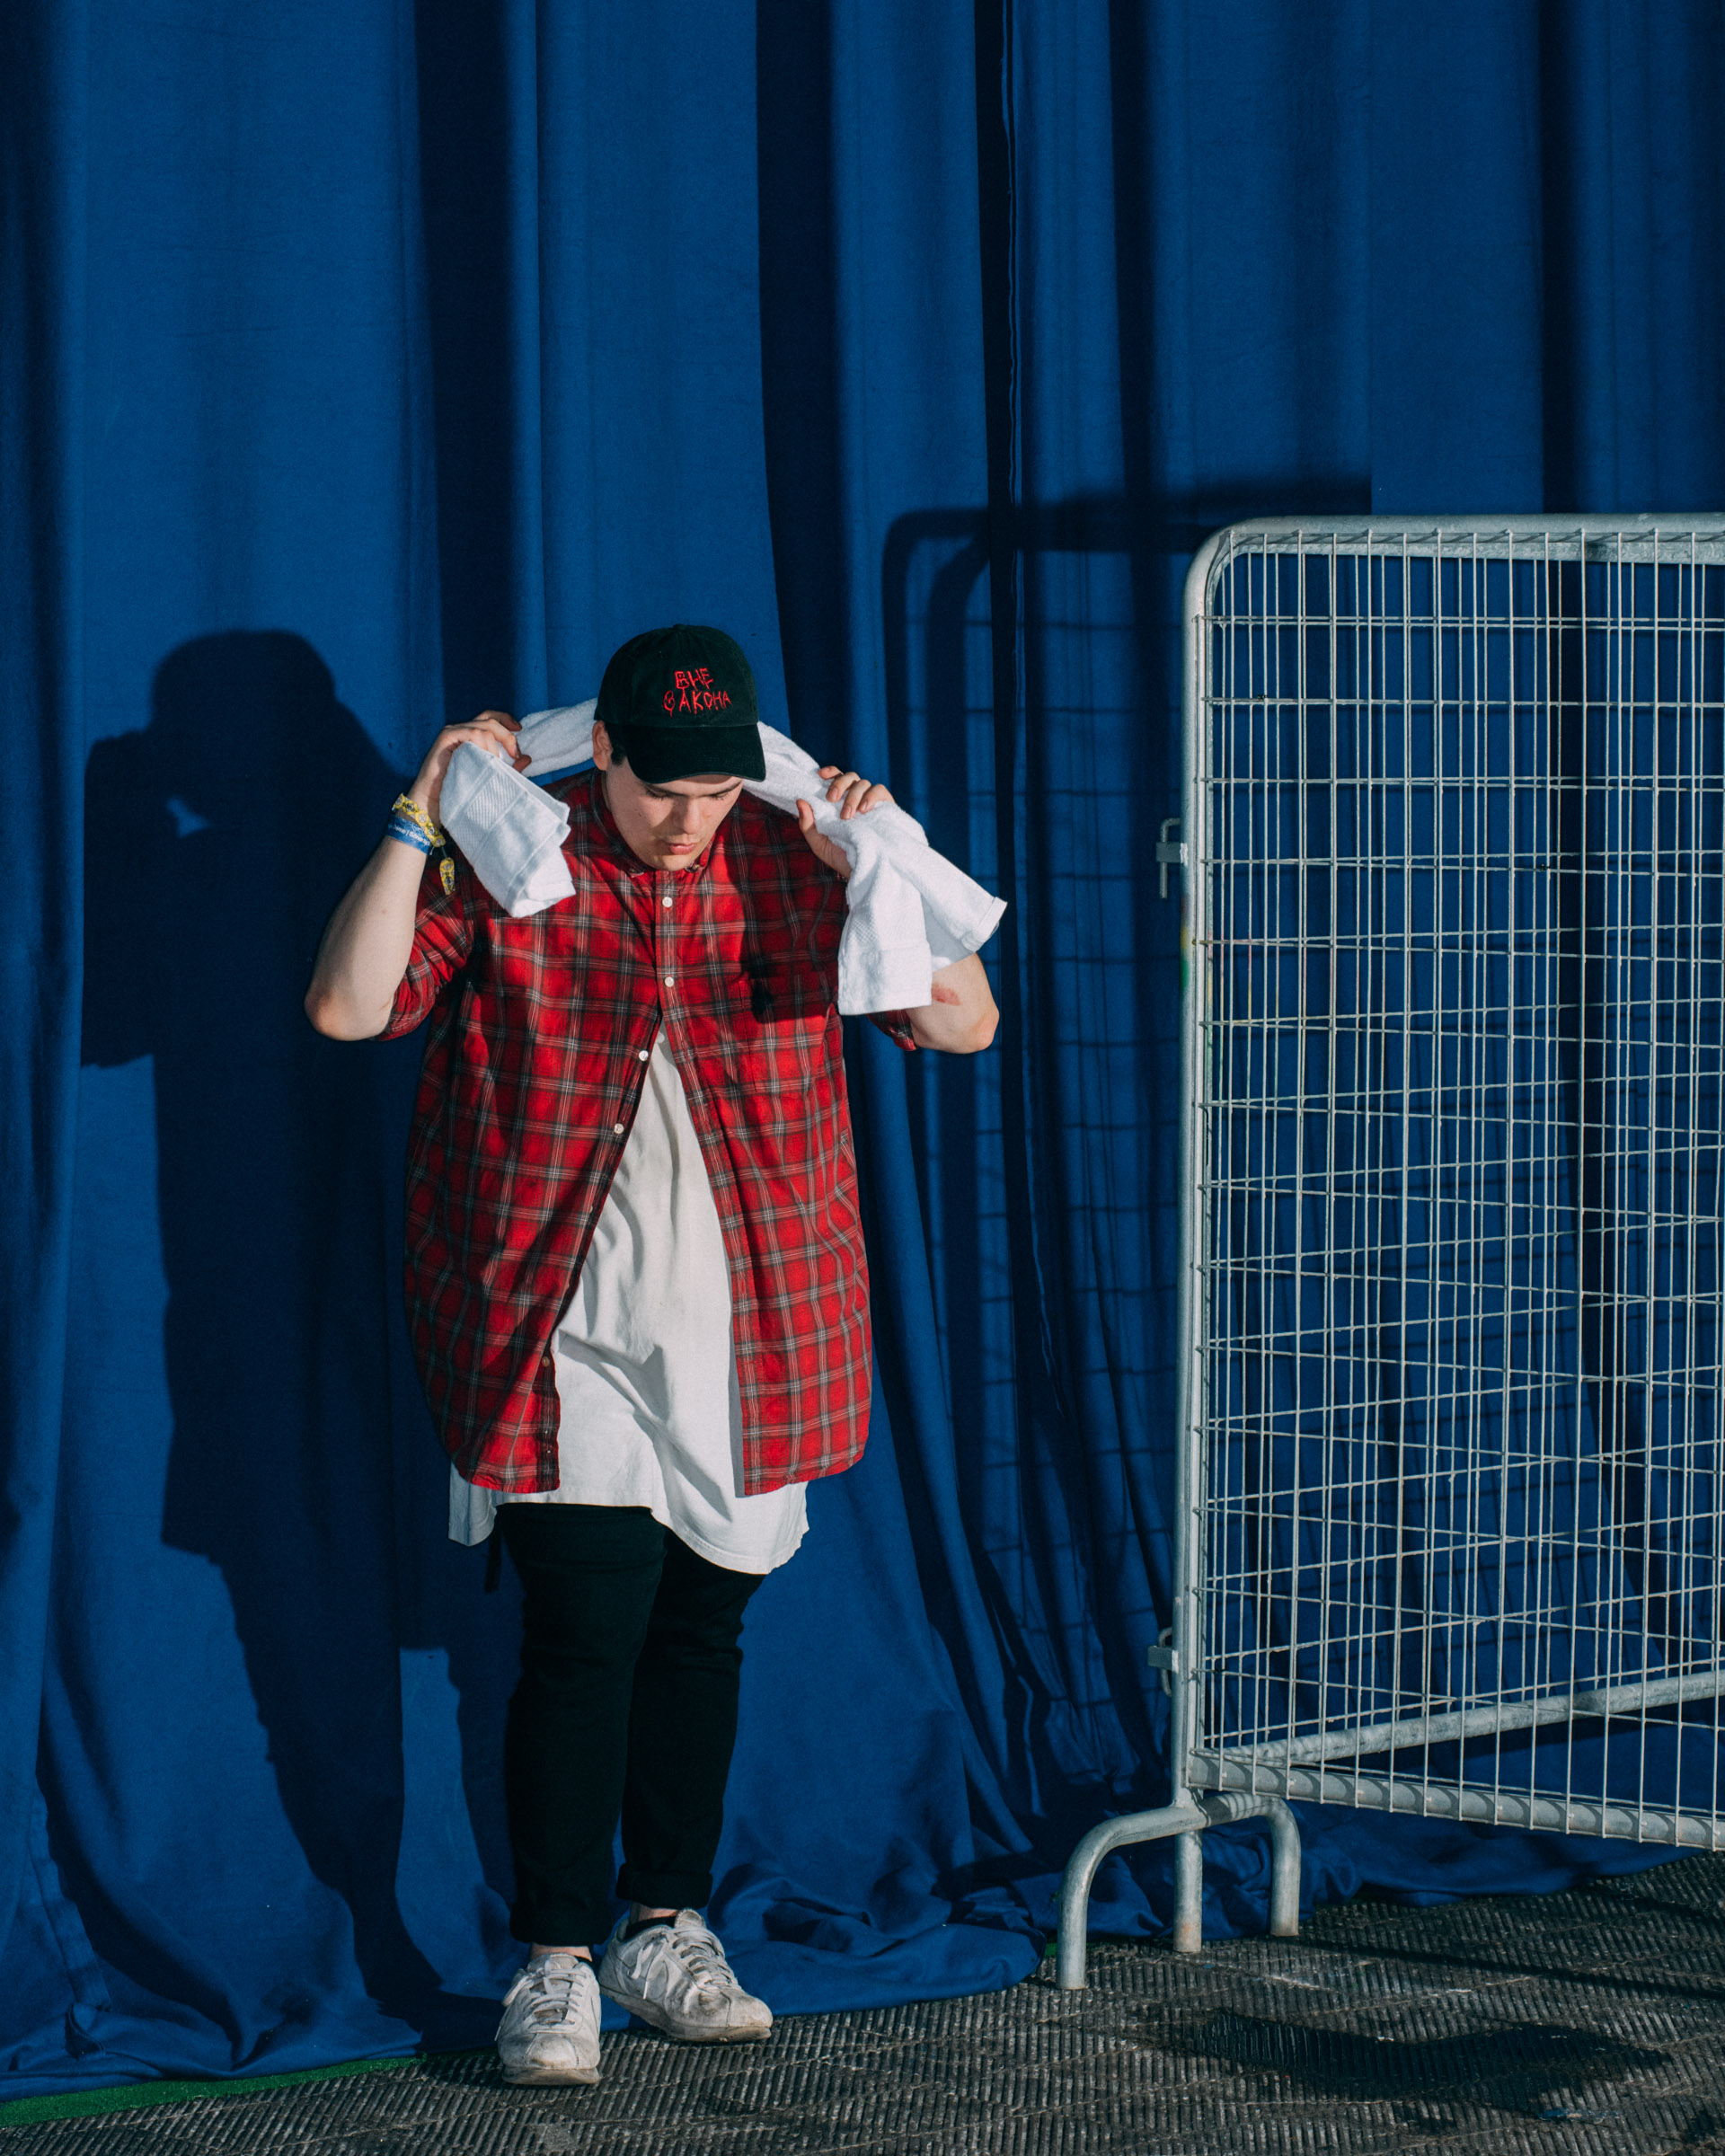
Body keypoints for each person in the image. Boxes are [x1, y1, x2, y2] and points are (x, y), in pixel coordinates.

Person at [305, 624, 997, 2086]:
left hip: (755, 1328)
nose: (688, 821)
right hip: (558, 1326)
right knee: (582, 1635)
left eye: (716, 790)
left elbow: (963, 1024)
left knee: (700, 1635)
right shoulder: (518, 853)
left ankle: (663, 1926)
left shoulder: (790, 860)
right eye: (661, 789)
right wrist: (423, 812)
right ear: (603, 751)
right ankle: (554, 1959)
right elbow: (350, 1006)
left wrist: (880, 857)